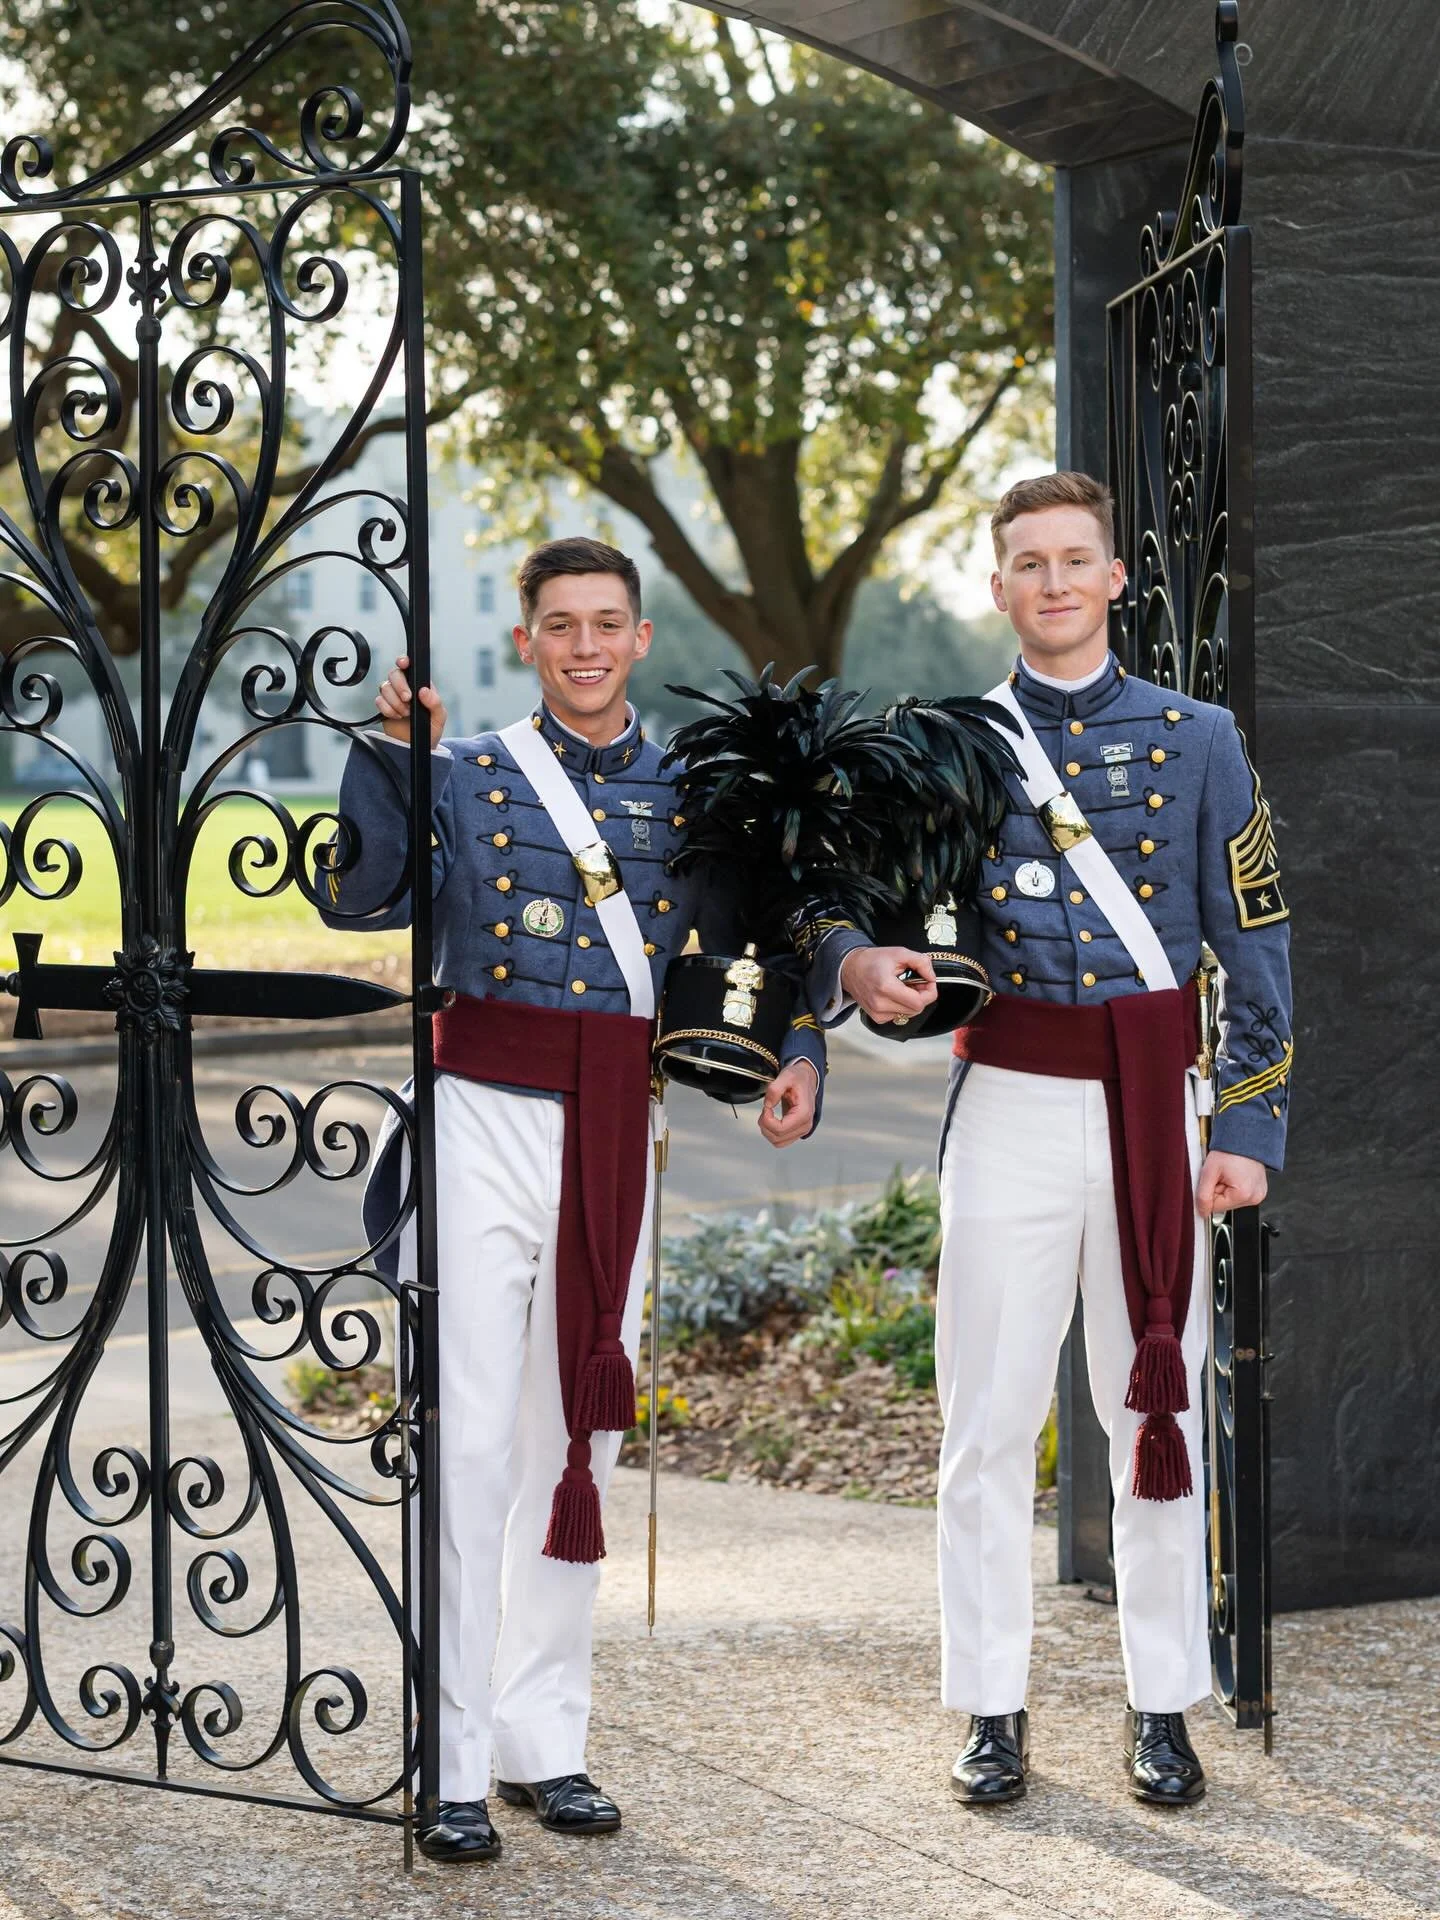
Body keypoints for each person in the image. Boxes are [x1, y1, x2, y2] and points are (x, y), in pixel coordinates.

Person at [318, 536, 825, 1864]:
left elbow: (760, 943)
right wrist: (394, 756)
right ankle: (450, 1757)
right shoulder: (467, 772)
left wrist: (802, 1053)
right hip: (480, 1110)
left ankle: (545, 1741)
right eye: (561, 625)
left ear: (640, 639)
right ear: (528, 642)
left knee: (574, 1445)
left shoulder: (700, 793)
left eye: (607, 624)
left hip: (614, 1122)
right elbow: (362, 898)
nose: (586, 646)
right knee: (472, 1438)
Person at [807, 471, 1292, 1808]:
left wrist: (1248, 1121)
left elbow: (1256, 942)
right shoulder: (946, 744)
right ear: (1000, 586)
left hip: (1156, 1109)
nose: (1056, 581)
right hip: (1010, 1098)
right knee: (985, 1421)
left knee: (1158, 1411)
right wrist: (854, 966)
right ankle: (991, 1706)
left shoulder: (1201, 739)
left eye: (1077, 559)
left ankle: (1162, 1704)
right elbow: (847, 898)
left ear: (1116, 578)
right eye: (1030, 562)